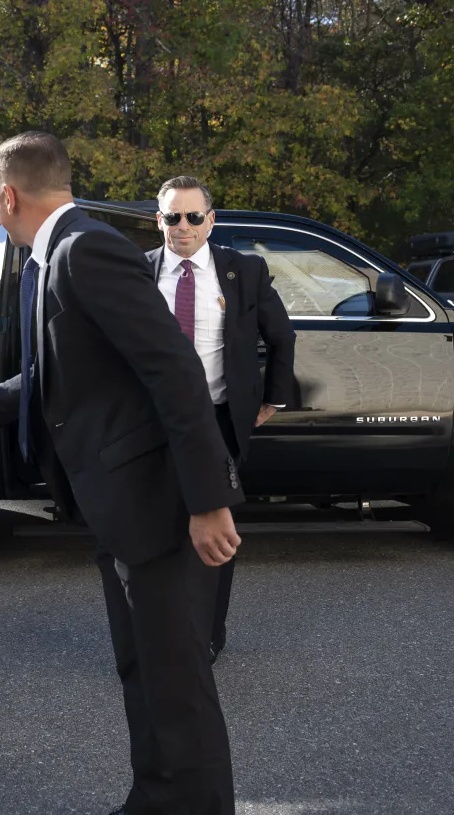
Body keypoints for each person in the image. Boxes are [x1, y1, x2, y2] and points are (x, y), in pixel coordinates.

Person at [0, 133, 245, 815]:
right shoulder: (52, 256)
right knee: (141, 669)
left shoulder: (87, 249)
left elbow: (174, 368)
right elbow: (52, 377)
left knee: (178, 684)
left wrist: (208, 500)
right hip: (119, 508)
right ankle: (155, 797)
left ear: (7, 196)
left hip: (161, 506)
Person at [148, 175, 295, 663]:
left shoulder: (243, 271)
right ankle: (164, 629)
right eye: (173, 216)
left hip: (218, 420)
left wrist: (273, 395)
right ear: (159, 220)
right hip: (154, 423)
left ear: (211, 221)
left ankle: (208, 633)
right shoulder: (139, 273)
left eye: (193, 216)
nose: (183, 226)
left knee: (215, 528)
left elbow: (281, 336)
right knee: (160, 525)